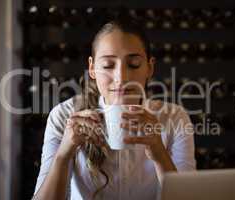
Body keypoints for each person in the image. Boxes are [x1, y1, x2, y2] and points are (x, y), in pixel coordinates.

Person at [32, 17, 196, 200]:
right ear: (92, 69)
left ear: (149, 68)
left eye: (133, 64)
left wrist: (159, 152)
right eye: (108, 65)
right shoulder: (63, 116)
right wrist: (64, 154)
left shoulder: (174, 118)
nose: (121, 77)